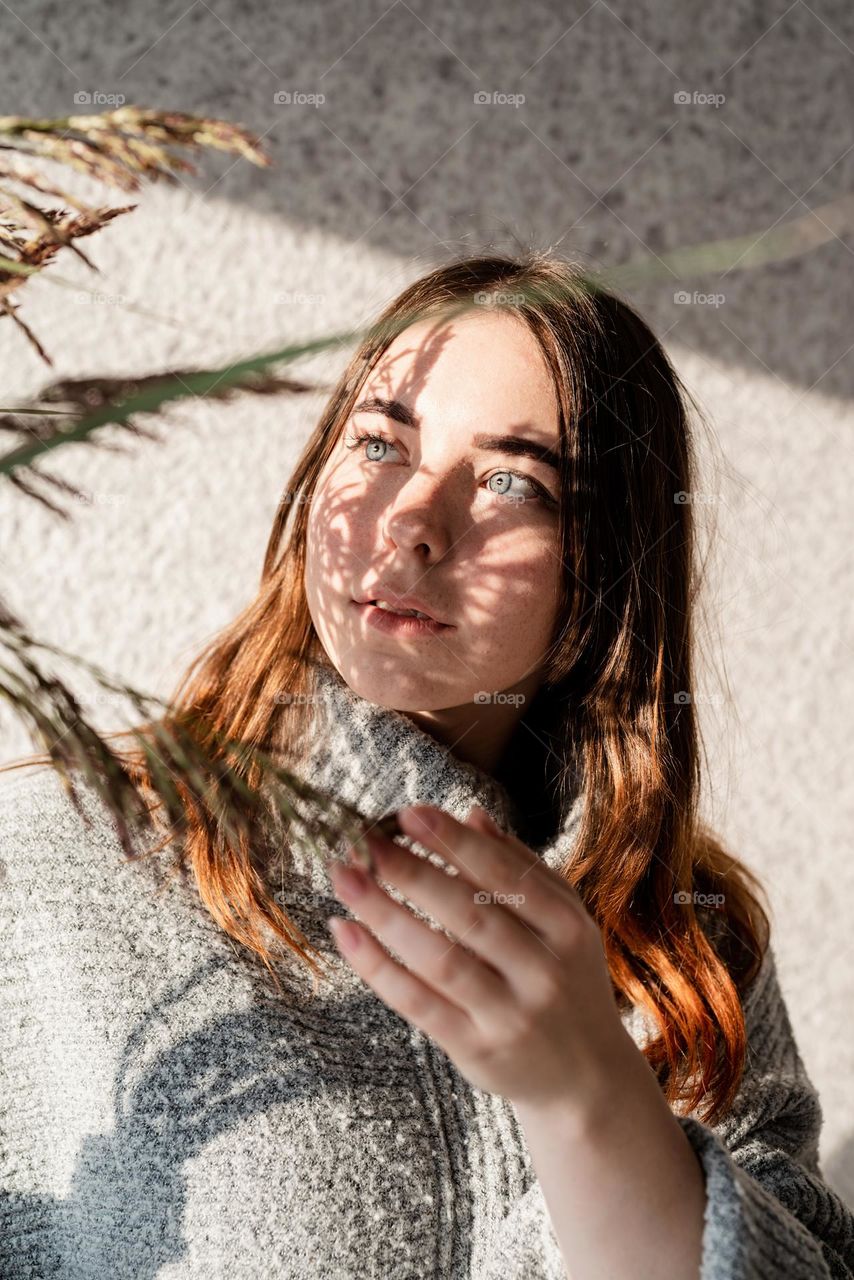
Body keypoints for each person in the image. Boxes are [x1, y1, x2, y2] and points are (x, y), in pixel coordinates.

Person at [2, 251, 852, 1278]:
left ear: (607, 560)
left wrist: (588, 1099)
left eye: (511, 480)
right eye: (378, 442)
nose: (411, 521)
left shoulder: (685, 939)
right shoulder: (64, 848)